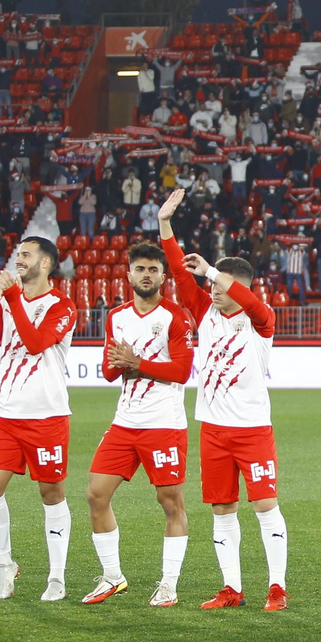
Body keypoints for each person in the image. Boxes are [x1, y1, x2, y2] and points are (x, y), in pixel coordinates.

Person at [158, 189, 290, 612]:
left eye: (218, 285)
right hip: (213, 429)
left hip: (252, 429)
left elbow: (252, 304)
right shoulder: (205, 312)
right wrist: (165, 226)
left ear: (241, 287)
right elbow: (180, 275)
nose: (210, 289)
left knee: (265, 505)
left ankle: (277, 587)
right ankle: (232, 588)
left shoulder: (260, 321)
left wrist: (214, 271)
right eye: (211, 285)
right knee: (222, 508)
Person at [81, 243, 195, 606]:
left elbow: (182, 371)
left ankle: (169, 584)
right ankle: (112, 577)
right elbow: (108, 370)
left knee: (170, 501)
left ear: (163, 276)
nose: (147, 275)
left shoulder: (177, 317)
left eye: (153, 269)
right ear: (129, 274)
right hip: (125, 421)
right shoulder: (116, 316)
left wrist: (137, 363)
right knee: (96, 494)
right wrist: (122, 363)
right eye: (140, 269)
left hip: (164, 424)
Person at [0, 236, 78, 602]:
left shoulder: (62, 306)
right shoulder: (7, 300)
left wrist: (11, 298)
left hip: (48, 415)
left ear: (45, 263)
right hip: (9, 414)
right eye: (17, 254)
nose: (18, 260)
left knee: (51, 493)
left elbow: (35, 343)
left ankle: (57, 576)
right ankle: (5, 564)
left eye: (26, 255)